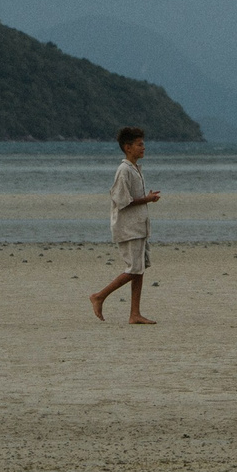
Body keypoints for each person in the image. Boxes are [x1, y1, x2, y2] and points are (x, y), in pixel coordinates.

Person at [89, 127, 162, 324]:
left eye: (143, 144)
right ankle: (99, 296)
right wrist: (146, 199)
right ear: (127, 147)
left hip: (138, 226)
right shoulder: (124, 170)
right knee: (133, 269)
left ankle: (134, 314)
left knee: (139, 269)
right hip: (128, 227)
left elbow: (132, 198)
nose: (143, 148)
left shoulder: (135, 168)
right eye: (139, 145)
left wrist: (146, 198)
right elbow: (123, 200)